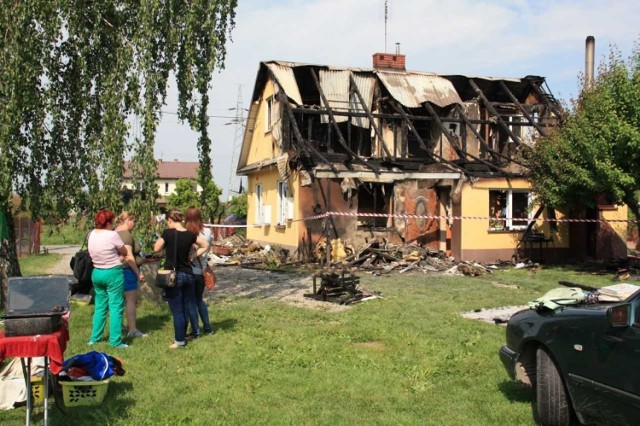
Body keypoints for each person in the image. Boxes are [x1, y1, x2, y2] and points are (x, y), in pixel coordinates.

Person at [153, 209, 209, 349]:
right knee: (185, 306)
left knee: (177, 311)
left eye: (167, 222)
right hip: (188, 275)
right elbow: (205, 245)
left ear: (170, 220)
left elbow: (156, 248)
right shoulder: (190, 235)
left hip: (173, 275)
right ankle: (182, 336)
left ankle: (179, 341)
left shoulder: (168, 233)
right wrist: (192, 256)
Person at [87, 209, 128, 349]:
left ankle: (95, 338)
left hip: (97, 272)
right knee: (116, 307)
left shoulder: (91, 233)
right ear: (108, 222)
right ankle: (115, 341)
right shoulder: (112, 235)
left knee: (100, 306)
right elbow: (125, 251)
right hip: (113, 273)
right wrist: (120, 257)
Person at [115, 211, 147, 338]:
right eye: (133, 221)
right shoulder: (125, 235)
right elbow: (129, 257)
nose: (134, 224)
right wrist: (138, 273)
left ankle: (119, 326)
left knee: (118, 301)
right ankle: (132, 329)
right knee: (131, 300)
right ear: (128, 220)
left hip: (117, 271)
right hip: (127, 271)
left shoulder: (115, 231)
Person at [185, 206, 213, 337]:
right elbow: (208, 248)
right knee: (199, 300)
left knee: (190, 302)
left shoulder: (186, 232)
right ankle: (207, 328)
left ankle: (195, 330)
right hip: (202, 270)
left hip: (190, 271)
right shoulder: (208, 232)